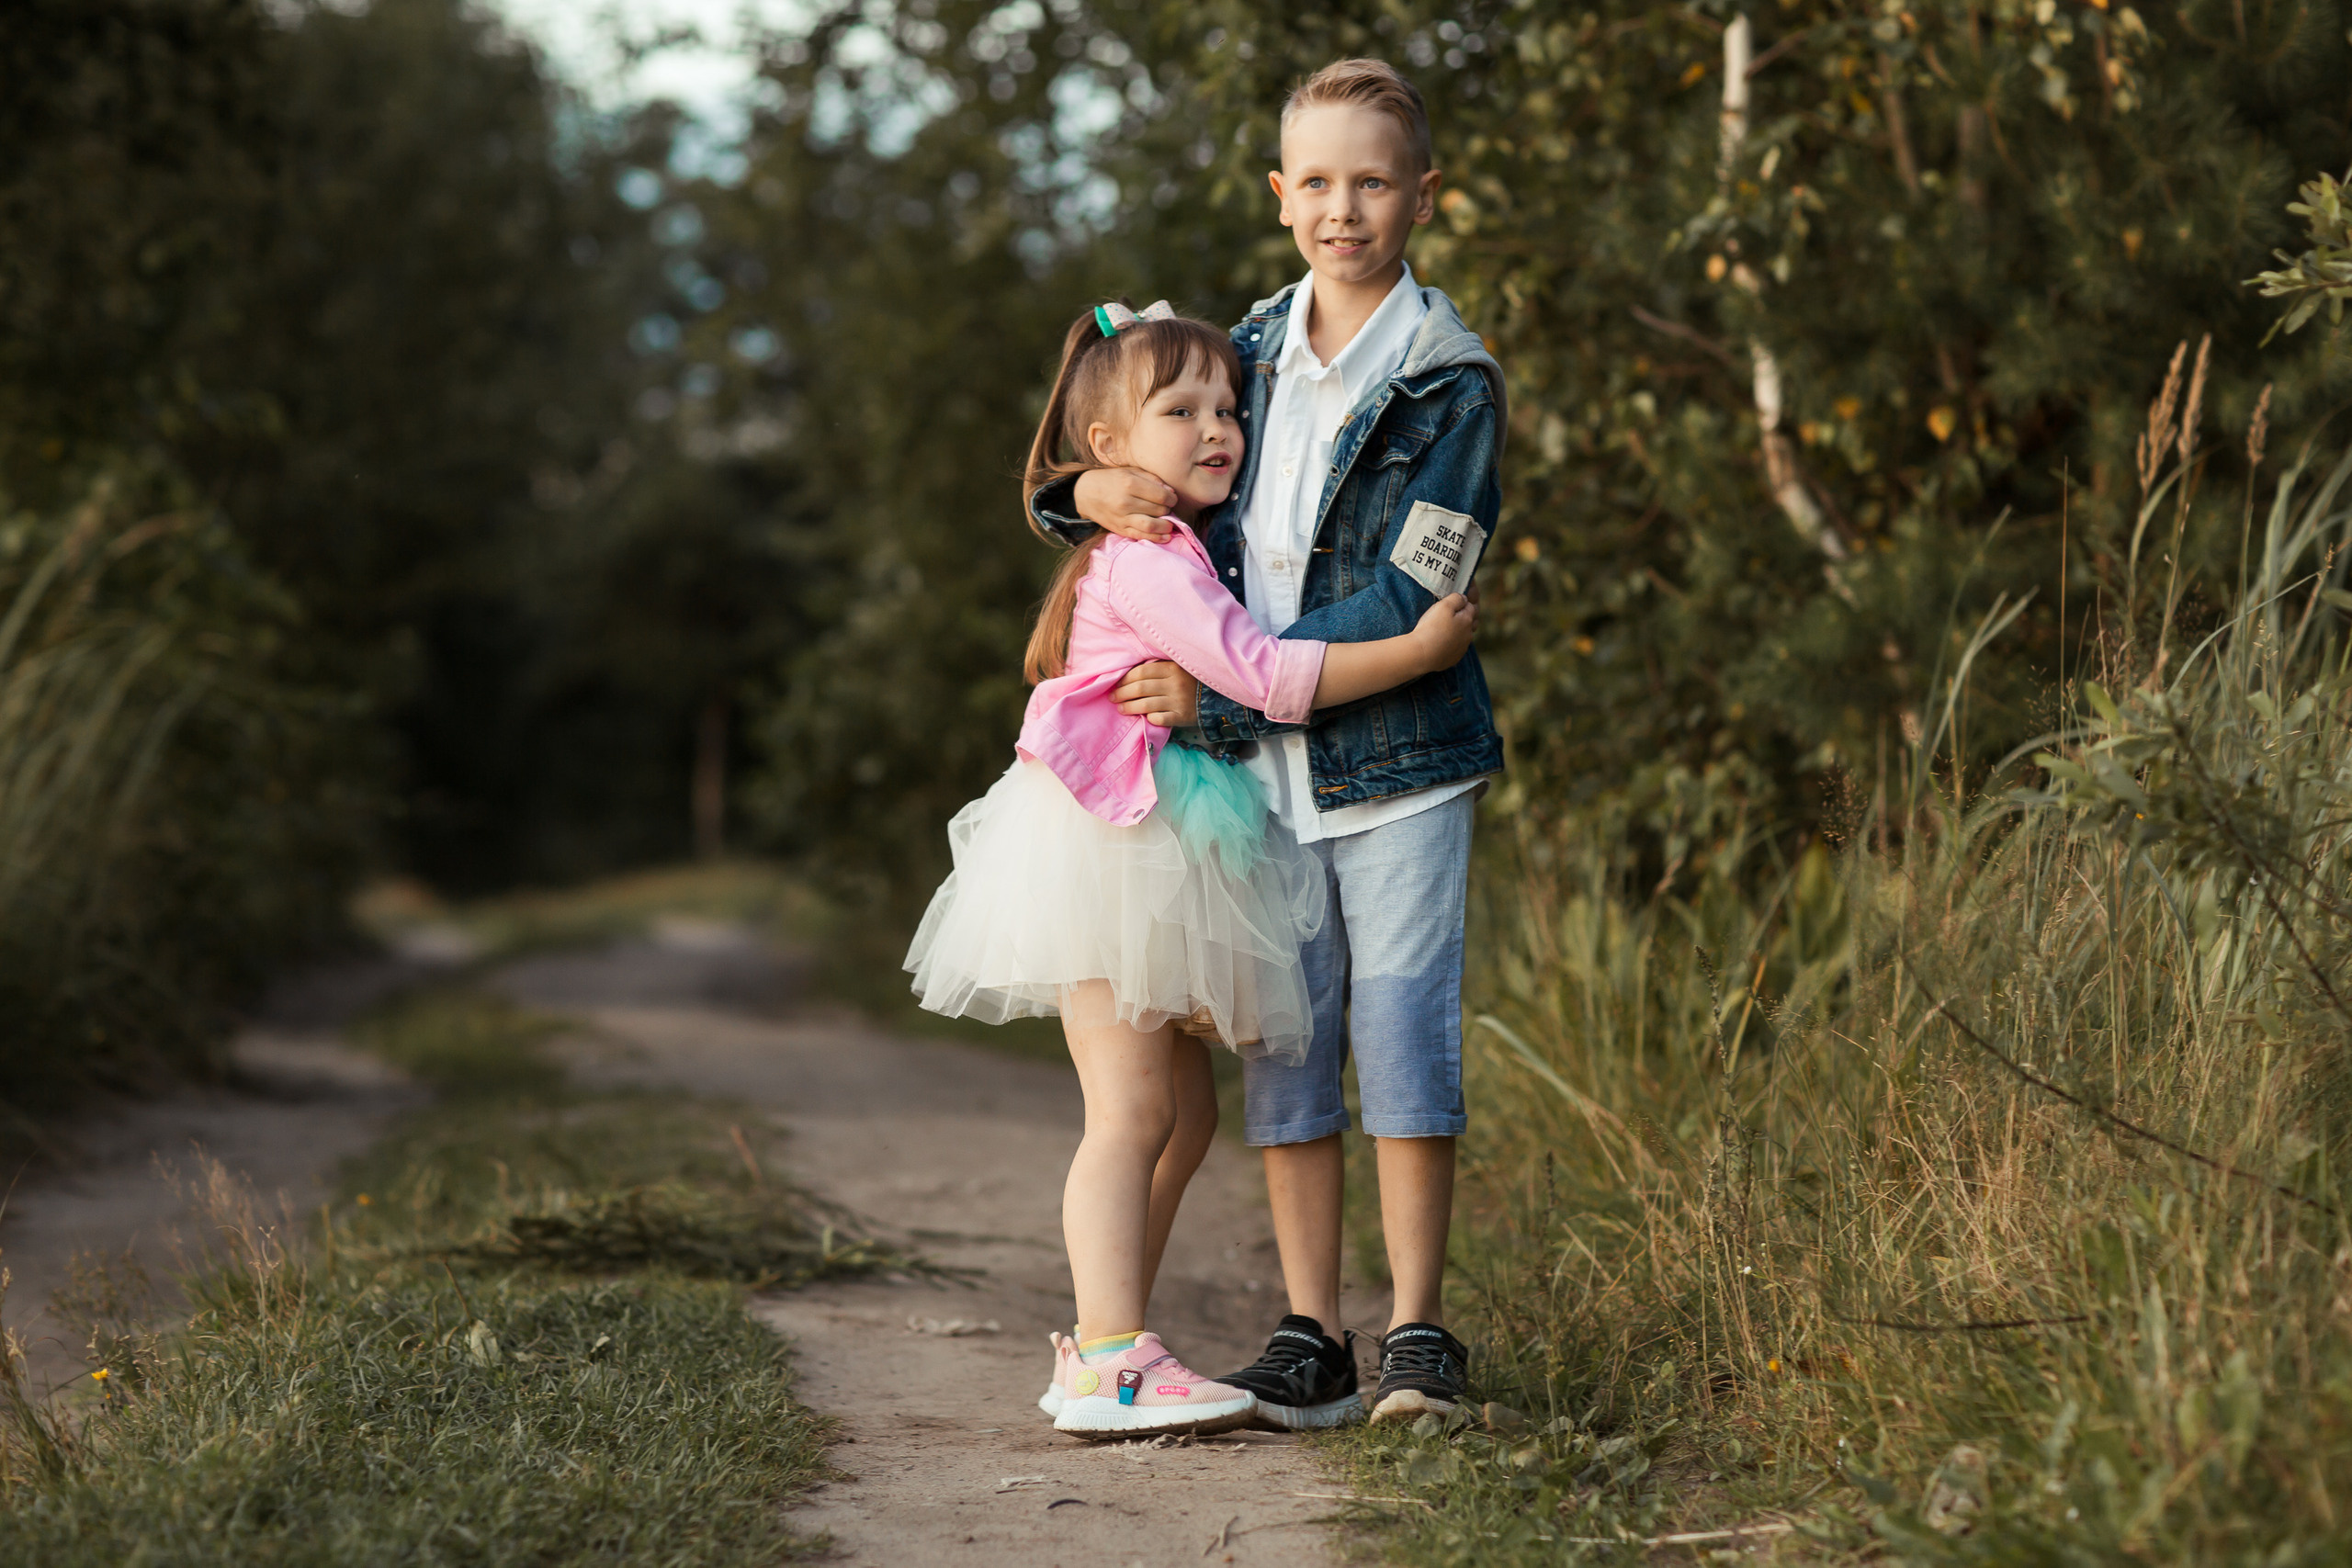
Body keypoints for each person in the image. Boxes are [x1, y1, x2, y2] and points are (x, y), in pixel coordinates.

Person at [905, 299, 1477, 1437]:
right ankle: (1111, 1356)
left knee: (1182, 1118)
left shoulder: (1170, 535)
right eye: (1185, 412)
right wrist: (1416, 652)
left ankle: (1108, 1332)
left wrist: (1092, 485)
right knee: (1128, 1114)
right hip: (1118, 851)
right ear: (1115, 447)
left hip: (1152, 839)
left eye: (1228, 408)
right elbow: (1262, 674)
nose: (1219, 426)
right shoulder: (1157, 555)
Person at [1032, 59, 1506, 1428]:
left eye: (1371, 181)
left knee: (1401, 1024)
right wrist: (1086, 488)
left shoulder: (1449, 382)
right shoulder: (1240, 344)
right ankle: (1315, 1328)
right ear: (1279, 195)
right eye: (1315, 182)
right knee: (1287, 1043)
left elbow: (1420, 599)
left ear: (1424, 195)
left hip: (1401, 761)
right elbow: (1136, 466)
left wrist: (1224, 698)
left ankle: (1417, 1325)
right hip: (1252, 784)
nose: (1342, 209)